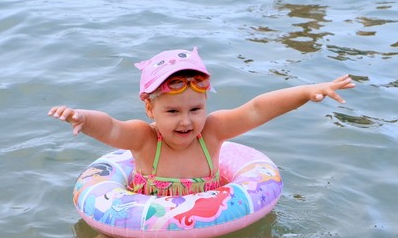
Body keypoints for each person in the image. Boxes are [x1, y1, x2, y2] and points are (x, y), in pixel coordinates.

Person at [48, 47, 355, 197]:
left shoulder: (213, 132)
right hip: (142, 221)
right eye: (172, 112)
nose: (186, 121)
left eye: (195, 109)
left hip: (210, 220)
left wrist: (306, 91)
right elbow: (112, 127)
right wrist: (83, 118)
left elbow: (257, 109)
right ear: (149, 109)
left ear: (206, 103)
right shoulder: (144, 138)